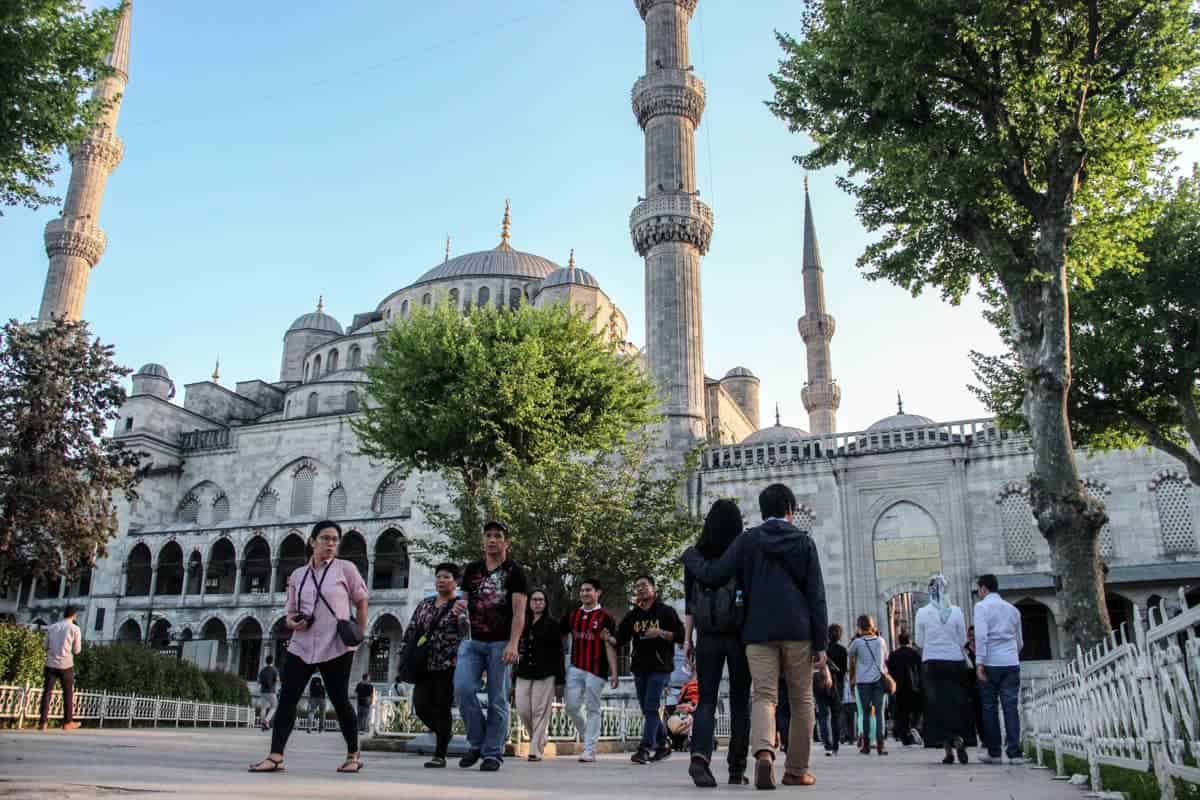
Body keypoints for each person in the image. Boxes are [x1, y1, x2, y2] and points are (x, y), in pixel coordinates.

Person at [682, 483, 829, 790]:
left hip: (756, 633)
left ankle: (763, 754)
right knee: (801, 700)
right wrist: (821, 643)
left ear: (762, 511)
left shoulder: (748, 541)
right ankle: (795, 770)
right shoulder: (804, 543)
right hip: (796, 631)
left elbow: (713, 575)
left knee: (763, 696)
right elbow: (816, 595)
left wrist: (690, 557)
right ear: (790, 510)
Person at [249, 520, 368, 774]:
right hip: (302, 645)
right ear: (312, 542)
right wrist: (293, 622)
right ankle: (276, 755)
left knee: (339, 700)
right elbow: (290, 612)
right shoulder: (297, 575)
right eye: (325, 538)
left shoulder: (345, 569)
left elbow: (361, 600)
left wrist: (358, 633)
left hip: (335, 645)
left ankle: (353, 755)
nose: (331, 543)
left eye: (335, 539)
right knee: (288, 699)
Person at [683, 498, 751, 787]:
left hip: (707, 635)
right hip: (739, 634)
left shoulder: (696, 555)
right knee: (739, 700)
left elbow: (689, 604)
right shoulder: (743, 552)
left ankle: (700, 757)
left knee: (707, 699)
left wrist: (687, 640)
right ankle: (736, 768)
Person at [454, 520, 529, 772]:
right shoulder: (473, 569)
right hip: (472, 641)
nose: (492, 540)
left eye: (498, 536)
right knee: (463, 689)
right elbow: (463, 601)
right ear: (483, 540)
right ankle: (477, 743)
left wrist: (513, 644)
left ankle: (492, 753)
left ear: (506, 542)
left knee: (497, 699)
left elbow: (519, 613)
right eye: (488, 535)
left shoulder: (515, 572)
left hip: (500, 643)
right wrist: (458, 607)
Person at [612, 574, 685, 766]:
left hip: (660, 667)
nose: (640, 589)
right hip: (639, 667)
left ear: (653, 589)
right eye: (637, 586)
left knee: (651, 707)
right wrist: (606, 637)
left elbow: (681, 635)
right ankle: (663, 746)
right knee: (648, 709)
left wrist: (660, 633)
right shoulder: (633, 615)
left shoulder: (666, 612)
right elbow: (620, 640)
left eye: (644, 585)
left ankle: (645, 749)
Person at [405, 562, 464, 768]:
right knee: (420, 706)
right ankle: (444, 733)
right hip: (423, 663)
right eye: (439, 576)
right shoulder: (425, 604)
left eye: (447, 577)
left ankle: (440, 754)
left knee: (442, 707)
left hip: (447, 664)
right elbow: (412, 629)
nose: (441, 580)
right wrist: (406, 651)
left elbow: (466, 633)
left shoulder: (460, 605)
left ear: (456, 582)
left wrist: (460, 616)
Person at [914, 574, 972, 765]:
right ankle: (960, 738)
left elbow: (919, 642)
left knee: (938, 706)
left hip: (932, 662)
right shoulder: (956, 612)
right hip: (955, 662)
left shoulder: (922, 613)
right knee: (956, 704)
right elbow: (963, 639)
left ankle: (948, 751)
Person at [561, 578, 619, 763]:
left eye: (589, 590)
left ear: (598, 592)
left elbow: (612, 644)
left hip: (596, 669)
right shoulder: (573, 615)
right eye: (582, 590)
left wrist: (614, 672)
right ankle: (589, 738)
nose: (585, 593)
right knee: (571, 707)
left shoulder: (606, 617)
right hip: (575, 667)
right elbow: (559, 635)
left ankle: (589, 749)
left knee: (593, 708)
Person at [973, 573, 1024, 765]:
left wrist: (979, 663)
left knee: (989, 708)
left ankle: (994, 752)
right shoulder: (1012, 609)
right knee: (1011, 708)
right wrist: (1011, 655)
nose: (978, 592)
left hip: (990, 663)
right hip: (1011, 662)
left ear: (984, 588)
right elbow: (1019, 641)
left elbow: (981, 637)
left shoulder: (981, 607)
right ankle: (1015, 753)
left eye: (979, 589)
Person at [515, 588, 565, 762]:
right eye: (534, 600)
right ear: (529, 603)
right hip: (523, 672)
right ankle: (541, 738)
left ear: (545, 603)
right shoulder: (521, 623)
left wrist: (560, 680)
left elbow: (559, 654)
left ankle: (535, 750)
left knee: (539, 712)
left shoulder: (552, 625)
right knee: (522, 710)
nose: (537, 603)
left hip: (546, 674)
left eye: (541, 600)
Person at [847, 615, 890, 757]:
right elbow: (885, 658)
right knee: (879, 714)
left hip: (863, 682)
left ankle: (866, 745)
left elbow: (850, 654)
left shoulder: (857, 643)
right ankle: (880, 745)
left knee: (865, 713)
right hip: (878, 680)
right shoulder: (881, 641)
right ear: (872, 626)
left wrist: (855, 637)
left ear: (859, 627)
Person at [37, 606, 82, 731]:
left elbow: (45, 646)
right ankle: (67, 722)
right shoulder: (75, 629)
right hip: (66, 664)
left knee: (47, 692)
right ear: (74, 616)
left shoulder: (52, 627)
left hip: (50, 663)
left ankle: (43, 722)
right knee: (67, 693)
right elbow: (77, 650)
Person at [885, 632, 922, 746]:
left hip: (899, 688)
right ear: (909, 641)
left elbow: (889, 671)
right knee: (916, 710)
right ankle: (915, 727)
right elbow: (920, 670)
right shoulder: (915, 653)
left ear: (898, 642)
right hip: (914, 687)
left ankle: (905, 737)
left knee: (902, 713)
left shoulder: (893, 654)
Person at [826, 625, 853, 746]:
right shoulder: (843, 650)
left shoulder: (824, 649)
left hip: (824, 681)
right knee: (837, 711)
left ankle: (827, 739)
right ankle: (838, 738)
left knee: (824, 712)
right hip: (839, 682)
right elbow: (844, 669)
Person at [258, 656, 280, 731]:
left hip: (263, 691)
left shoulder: (262, 670)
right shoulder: (274, 670)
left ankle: (263, 725)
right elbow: (277, 680)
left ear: (266, 661)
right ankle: (266, 721)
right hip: (271, 691)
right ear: (272, 661)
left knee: (263, 708)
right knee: (274, 706)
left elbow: (259, 681)